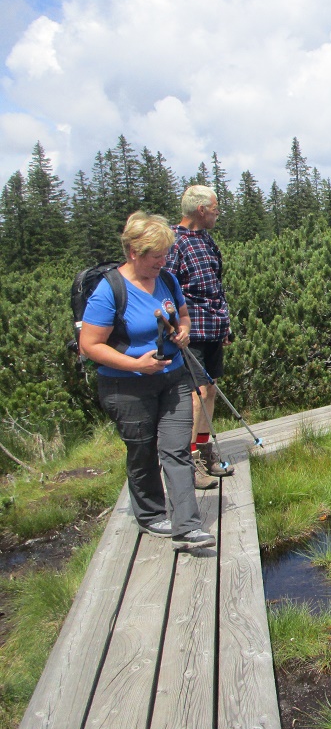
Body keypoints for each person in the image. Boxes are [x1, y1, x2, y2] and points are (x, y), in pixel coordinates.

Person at [79, 212, 215, 550]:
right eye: (156, 257)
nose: (162, 262)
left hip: (172, 378)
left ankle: (187, 526)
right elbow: (90, 345)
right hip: (125, 387)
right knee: (141, 451)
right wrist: (135, 364)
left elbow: (181, 317)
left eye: (164, 255)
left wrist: (183, 332)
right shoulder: (109, 290)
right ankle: (152, 514)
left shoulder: (167, 280)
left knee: (175, 448)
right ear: (133, 252)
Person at [166, 185, 233, 489]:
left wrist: (225, 324)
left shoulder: (205, 239)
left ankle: (206, 452)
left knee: (210, 391)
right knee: (195, 396)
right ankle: (190, 461)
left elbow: (215, 286)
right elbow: (164, 290)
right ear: (202, 210)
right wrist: (174, 327)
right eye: (216, 209)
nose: (218, 213)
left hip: (213, 328)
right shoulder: (174, 243)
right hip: (190, 332)